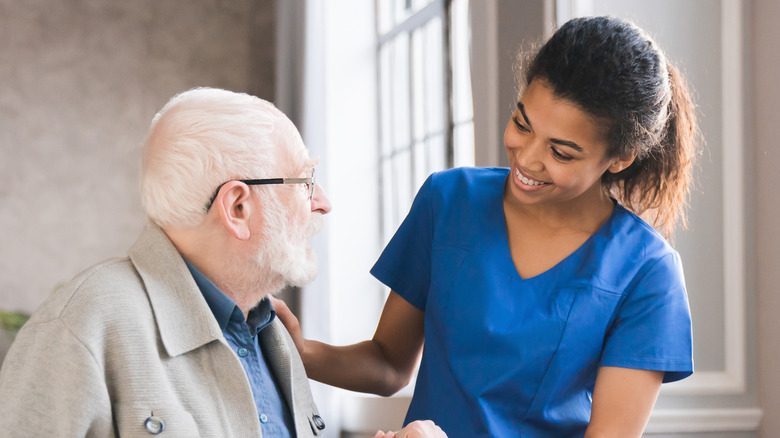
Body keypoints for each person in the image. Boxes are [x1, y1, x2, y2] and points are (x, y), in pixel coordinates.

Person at [275, 16, 697, 437]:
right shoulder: (449, 200)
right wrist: (302, 354)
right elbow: (388, 363)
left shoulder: (647, 271)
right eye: (522, 124)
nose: (528, 159)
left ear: (621, 158)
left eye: (562, 152)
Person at [0, 88, 445, 438]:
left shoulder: (270, 333)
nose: (323, 203)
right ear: (237, 208)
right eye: (305, 181)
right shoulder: (81, 328)